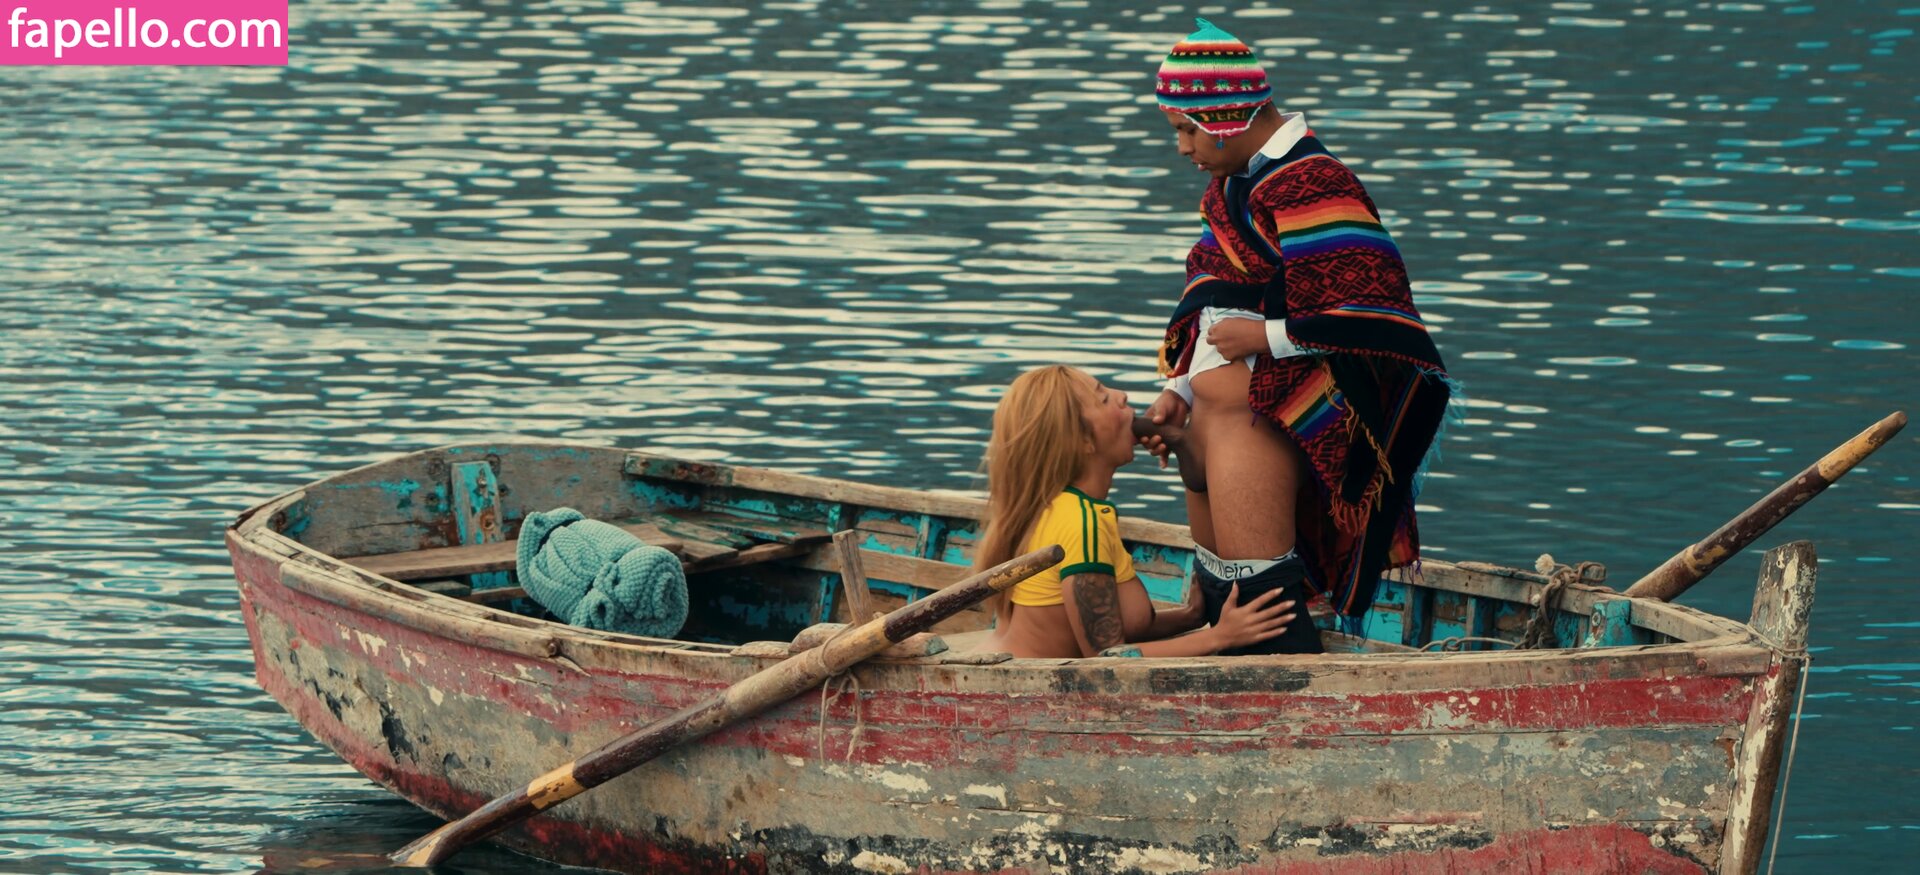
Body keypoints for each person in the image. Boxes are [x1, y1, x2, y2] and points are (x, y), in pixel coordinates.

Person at [1137, 19, 1454, 651]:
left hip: (1262, 424)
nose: (1181, 147)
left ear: (1226, 117)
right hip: (1216, 424)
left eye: (1186, 128)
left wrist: (1269, 337)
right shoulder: (1233, 185)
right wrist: (1182, 389)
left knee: (1265, 621)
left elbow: (1368, 303)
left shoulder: (1313, 180)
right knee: (1222, 602)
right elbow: (1211, 291)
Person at [972, 365, 1298, 659]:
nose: (1122, 395)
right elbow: (1105, 658)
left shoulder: (1062, 506)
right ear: (1082, 441)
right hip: (1033, 693)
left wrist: (1191, 617)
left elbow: (1109, 629)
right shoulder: (1081, 523)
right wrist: (1220, 637)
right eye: (1104, 399)